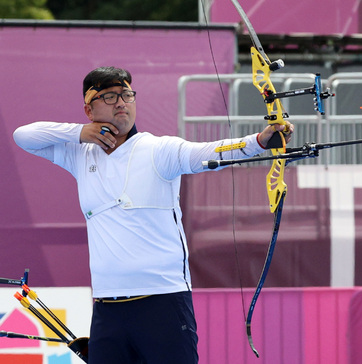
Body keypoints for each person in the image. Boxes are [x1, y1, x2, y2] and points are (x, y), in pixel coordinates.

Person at [13, 66, 293, 363]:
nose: (121, 102)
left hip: (163, 304)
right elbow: (23, 136)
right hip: (108, 309)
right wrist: (80, 133)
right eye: (109, 96)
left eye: (127, 95)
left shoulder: (159, 150)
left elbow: (211, 152)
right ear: (89, 109)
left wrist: (260, 141)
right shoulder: (79, 154)